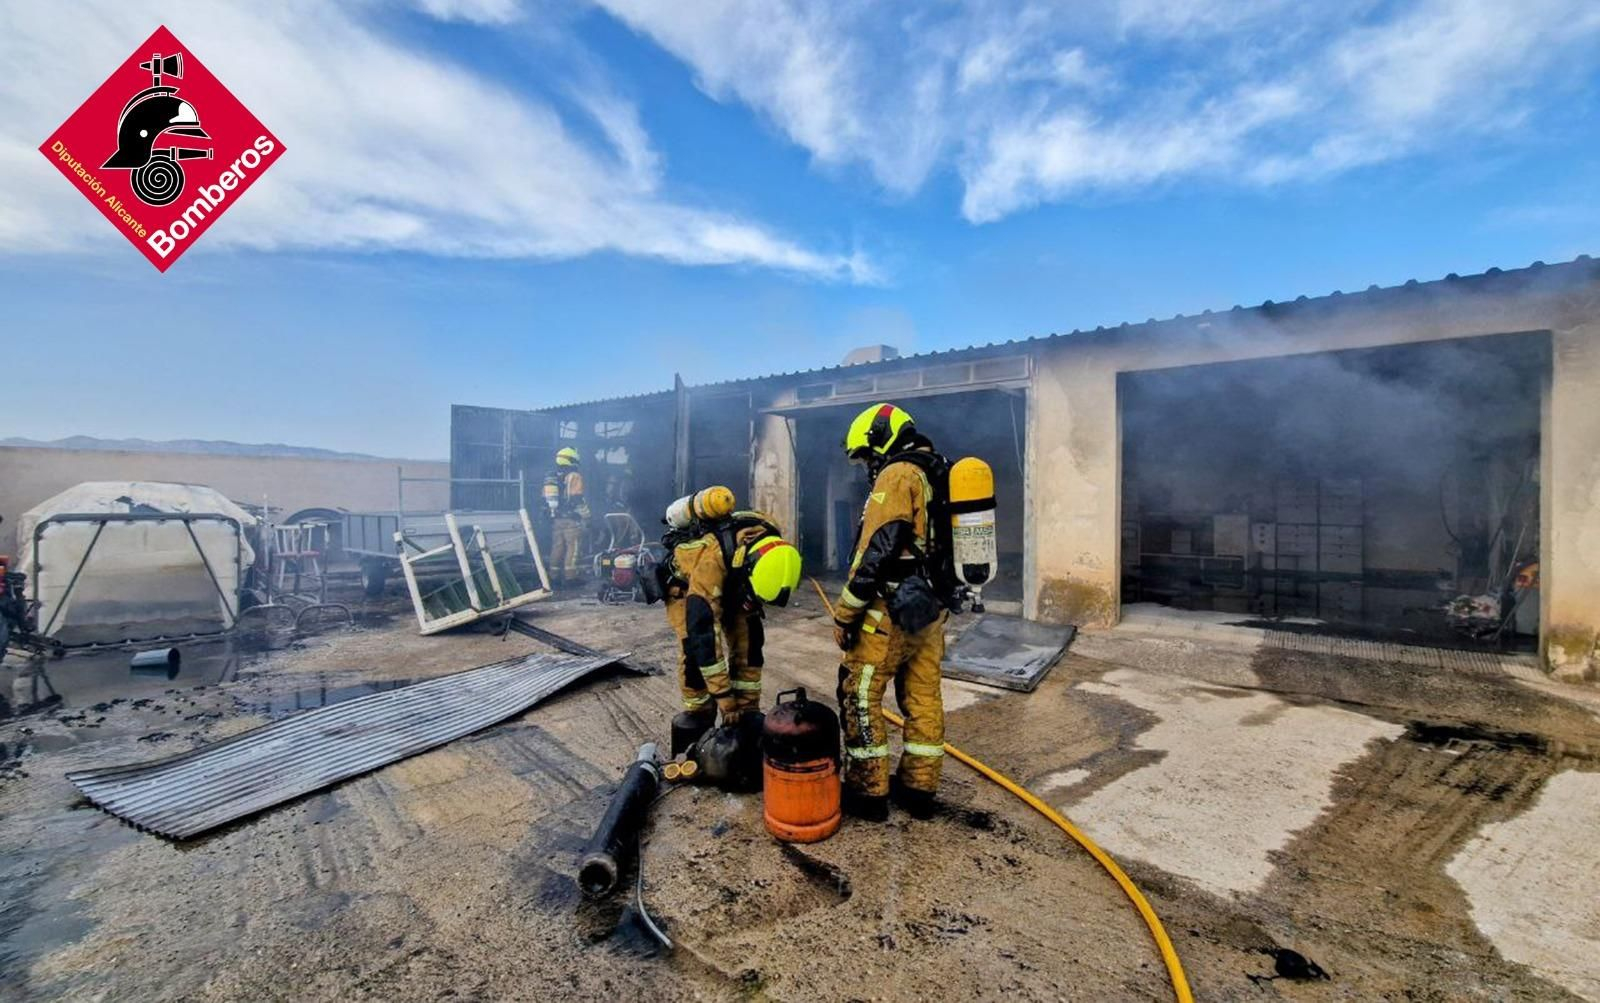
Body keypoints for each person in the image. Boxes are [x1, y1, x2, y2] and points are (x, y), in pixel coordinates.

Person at [832, 403, 955, 822]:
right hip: (931, 608)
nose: (867, 464)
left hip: (888, 611)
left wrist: (845, 613)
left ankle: (869, 793)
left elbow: (877, 550)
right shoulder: (938, 470)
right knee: (923, 697)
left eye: (867, 455)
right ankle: (919, 789)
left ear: (881, 439)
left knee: (861, 694)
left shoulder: (897, 474)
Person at [664, 506, 802, 749]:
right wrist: (724, 698)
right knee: (695, 653)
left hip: (735, 579)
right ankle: (699, 717)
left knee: (750, 640)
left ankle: (747, 711)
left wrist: (743, 709)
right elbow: (704, 635)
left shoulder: (770, 541)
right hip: (688, 589)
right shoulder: (710, 559)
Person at [542, 447, 590, 589]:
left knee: (557, 547)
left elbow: (544, 499)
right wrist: (587, 516)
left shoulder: (552, 476)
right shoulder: (574, 476)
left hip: (556, 519)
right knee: (572, 548)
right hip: (571, 520)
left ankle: (554, 577)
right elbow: (577, 499)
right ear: (572, 460)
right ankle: (571, 578)